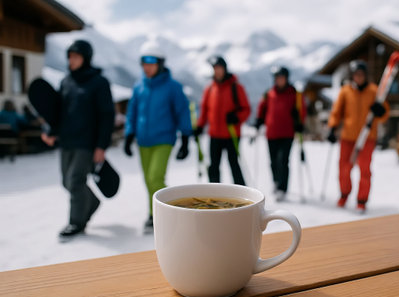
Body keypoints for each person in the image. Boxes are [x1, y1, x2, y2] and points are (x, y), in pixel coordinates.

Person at [41, 40, 115, 240]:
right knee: (67, 181)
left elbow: (107, 115)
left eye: (76, 56)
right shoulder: (66, 82)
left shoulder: (99, 83)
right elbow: (57, 112)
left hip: (87, 143)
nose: (71, 60)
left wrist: (101, 145)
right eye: (69, 56)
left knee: (75, 181)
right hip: (66, 141)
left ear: (86, 58)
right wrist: (50, 130)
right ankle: (91, 203)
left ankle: (76, 223)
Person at [124, 41, 192, 234]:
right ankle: (153, 214)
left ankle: (172, 211)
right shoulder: (139, 87)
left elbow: (182, 112)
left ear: (160, 64)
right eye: (144, 63)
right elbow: (132, 113)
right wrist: (129, 134)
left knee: (155, 177)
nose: (147, 67)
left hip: (163, 140)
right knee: (148, 180)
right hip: (143, 142)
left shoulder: (172, 87)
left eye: (151, 63)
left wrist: (185, 138)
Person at [327, 60, 389, 212]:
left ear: (365, 75)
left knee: (365, 169)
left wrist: (380, 111)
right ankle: (344, 194)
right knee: (344, 168)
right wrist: (332, 127)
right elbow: (337, 111)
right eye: (356, 74)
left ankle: (362, 200)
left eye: (361, 74)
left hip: (367, 137)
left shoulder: (374, 91)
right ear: (352, 75)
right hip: (348, 136)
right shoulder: (346, 91)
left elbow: (385, 113)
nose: (358, 77)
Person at [195, 56, 251, 185]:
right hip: (214, 135)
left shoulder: (236, 88)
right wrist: (199, 126)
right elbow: (204, 110)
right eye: (215, 69)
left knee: (234, 165)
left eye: (219, 68)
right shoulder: (209, 89)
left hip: (232, 134)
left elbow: (246, 109)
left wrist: (236, 117)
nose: (217, 71)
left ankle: (241, 194)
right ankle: (214, 193)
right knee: (213, 167)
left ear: (224, 69)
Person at [253, 66, 306, 201]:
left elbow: (302, 110)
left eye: (282, 78)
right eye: (277, 78)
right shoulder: (269, 94)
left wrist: (299, 122)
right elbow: (262, 109)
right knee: (273, 162)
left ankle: (282, 188)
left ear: (286, 78)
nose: (279, 80)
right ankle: (276, 182)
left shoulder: (294, 94)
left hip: (287, 133)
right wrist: (259, 120)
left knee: (283, 161)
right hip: (271, 133)